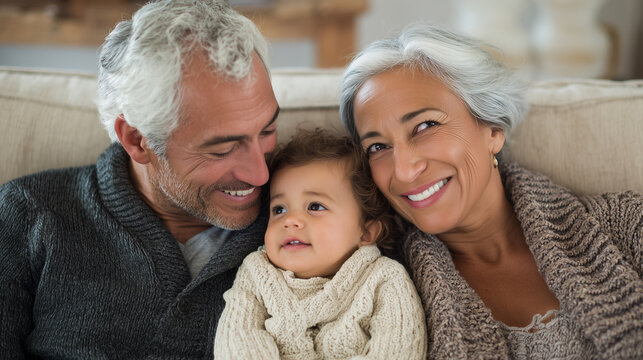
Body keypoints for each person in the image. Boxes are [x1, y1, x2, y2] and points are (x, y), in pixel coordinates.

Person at [339, 24, 643, 359]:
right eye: (378, 146)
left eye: (425, 126)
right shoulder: (376, 288)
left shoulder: (626, 226)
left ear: (493, 129)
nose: (404, 170)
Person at [0, 1, 280, 358]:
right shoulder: (27, 216)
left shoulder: (315, 218)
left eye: (268, 130)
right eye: (222, 149)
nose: (261, 173)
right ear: (137, 139)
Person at [213, 128, 427, 359]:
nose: (290, 220)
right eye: (279, 209)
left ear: (366, 232)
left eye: (315, 207)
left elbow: (399, 349)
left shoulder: (384, 279)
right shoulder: (256, 273)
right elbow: (237, 341)